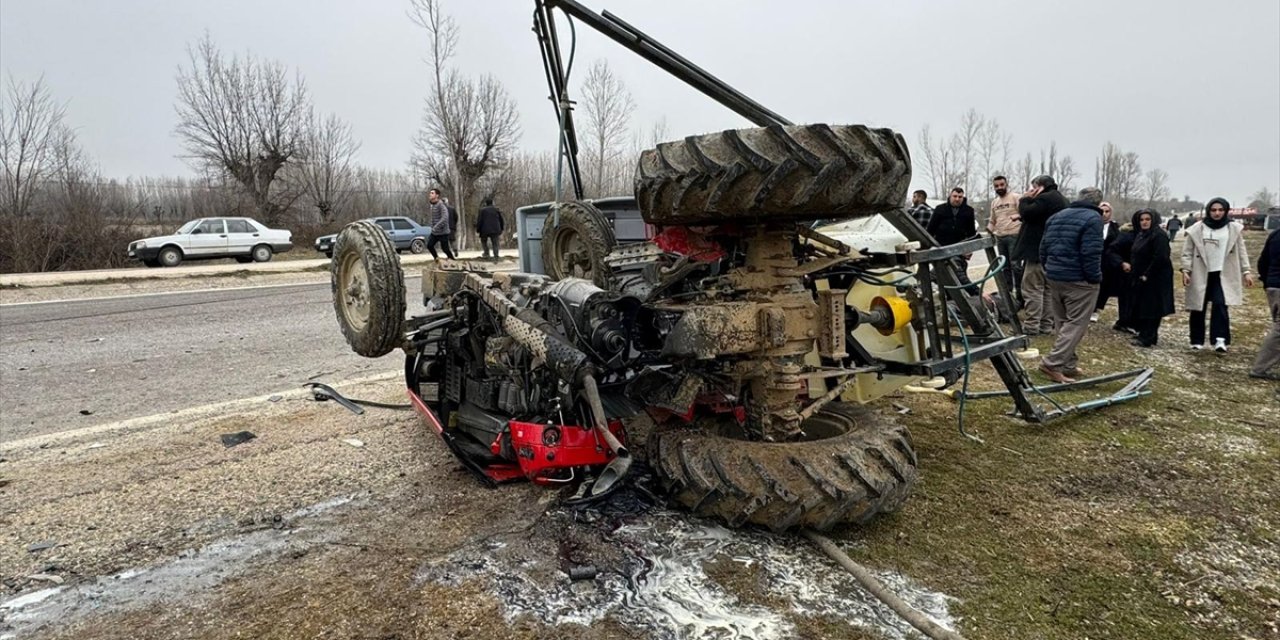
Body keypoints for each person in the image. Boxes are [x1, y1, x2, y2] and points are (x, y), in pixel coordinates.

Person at [1037, 187, 1104, 383]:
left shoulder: (1057, 216)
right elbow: (1091, 253)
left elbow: (1043, 247)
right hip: (1079, 280)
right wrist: (1094, 278)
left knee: (1062, 321)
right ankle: (1052, 363)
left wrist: (1049, 269)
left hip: (1055, 276)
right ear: (1098, 203)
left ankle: (1068, 363)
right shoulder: (1093, 219)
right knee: (1076, 323)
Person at [1181, 197, 1254, 352]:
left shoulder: (1233, 229)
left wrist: (1246, 271)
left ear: (1226, 211)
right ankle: (1196, 340)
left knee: (1221, 305)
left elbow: (1241, 251)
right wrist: (1186, 270)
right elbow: (1187, 252)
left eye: (1220, 210)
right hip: (1201, 272)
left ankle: (1220, 339)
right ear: (1208, 211)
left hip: (1223, 273)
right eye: (1213, 210)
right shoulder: (1197, 228)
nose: (1217, 213)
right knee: (1198, 306)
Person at [1012, 175, 1069, 335]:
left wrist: (1024, 199)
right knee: (1048, 290)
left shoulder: (1045, 198)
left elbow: (1028, 212)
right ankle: (1045, 325)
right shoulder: (1062, 200)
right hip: (1054, 253)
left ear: (1040, 186)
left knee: (1032, 289)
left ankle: (1031, 326)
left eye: (1033, 187)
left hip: (1037, 252)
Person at [1127, 209, 1175, 347]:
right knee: (1143, 305)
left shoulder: (1158, 235)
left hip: (1155, 277)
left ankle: (1148, 337)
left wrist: (1147, 274)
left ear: (1153, 220)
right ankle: (1145, 334)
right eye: (1142, 220)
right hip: (1142, 275)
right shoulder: (1142, 234)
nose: (1144, 222)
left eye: (1147, 219)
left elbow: (1161, 257)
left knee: (1152, 308)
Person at [927, 187, 978, 293]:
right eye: (955, 196)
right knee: (941, 273)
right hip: (942, 247)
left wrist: (969, 249)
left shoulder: (968, 211)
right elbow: (930, 230)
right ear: (950, 196)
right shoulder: (940, 209)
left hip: (959, 249)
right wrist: (930, 246)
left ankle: (966, 294)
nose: (957, 199)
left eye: (960, 197)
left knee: (960, 275)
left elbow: (971, 233)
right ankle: (946, 294)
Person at [986, 176, 1023, 306]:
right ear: (994, 187)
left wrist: (1018, 216)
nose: (999, 188)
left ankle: (1021, 295)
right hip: (1000, 237)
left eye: (1002, 185)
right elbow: (992, 220)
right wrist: (988, 232)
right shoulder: (994, 202)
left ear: (1006, 184)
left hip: (1014, 235)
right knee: (1004, 266)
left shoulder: (1015, 197)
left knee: (1016, 266)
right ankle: (1008, 297)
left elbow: (1024, 213)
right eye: (997, 186)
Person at [1249, 228, 1280, 380]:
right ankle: (1260, 368)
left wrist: (1267, 281)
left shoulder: (1275, 234)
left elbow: (1263, 261)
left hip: (1273, 286)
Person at [1092, 201, 1123, 323]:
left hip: (1107, 263)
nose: (1104, 214)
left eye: (1107, 211)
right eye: (1102, 211)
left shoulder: (1115, 228)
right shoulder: (1092, 224)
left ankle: (1097, 309)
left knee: (1104, 286)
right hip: (1094, 259)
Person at [426, 188, 455, 260]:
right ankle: (436, 259)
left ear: (437, 195)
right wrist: (433, 227)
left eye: (432, 193)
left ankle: (452, 260)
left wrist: (436, 226)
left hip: (443, 232)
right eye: (430, 193)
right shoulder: (432, 205)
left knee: (445, 249)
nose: (430, 194)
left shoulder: (441, 205)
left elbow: (445, 218)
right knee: (429, 245)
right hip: (435, 232)